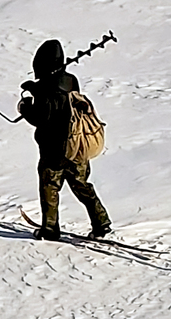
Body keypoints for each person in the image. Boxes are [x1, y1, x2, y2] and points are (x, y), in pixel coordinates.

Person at [16, 37, 111, 241]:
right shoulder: (71, 81)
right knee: (82, 184)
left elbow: (41, 117)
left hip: (54, 150)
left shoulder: (45, 90)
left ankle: (50, 229)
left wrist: (25, 108)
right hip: (77, 145)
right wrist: (35, 88)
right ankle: (101, 222)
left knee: (50, 186)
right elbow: (58, 93)